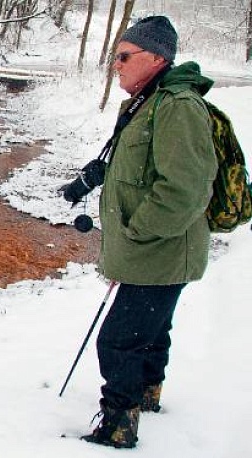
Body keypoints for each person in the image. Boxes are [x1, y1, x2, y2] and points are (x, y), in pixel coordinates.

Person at [65, 16, 218, 448]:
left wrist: (135, 232)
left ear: (156, 58)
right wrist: (97, 177)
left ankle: (118, 425)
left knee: (119, 339)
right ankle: (148, 396)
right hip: (157, 251)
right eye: (116, 56)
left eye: (124, 56)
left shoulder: (177, 106)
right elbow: (144, 167)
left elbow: (185, 187)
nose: (116, 64)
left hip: (159, 250)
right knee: (151, 330)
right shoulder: (146, 101)